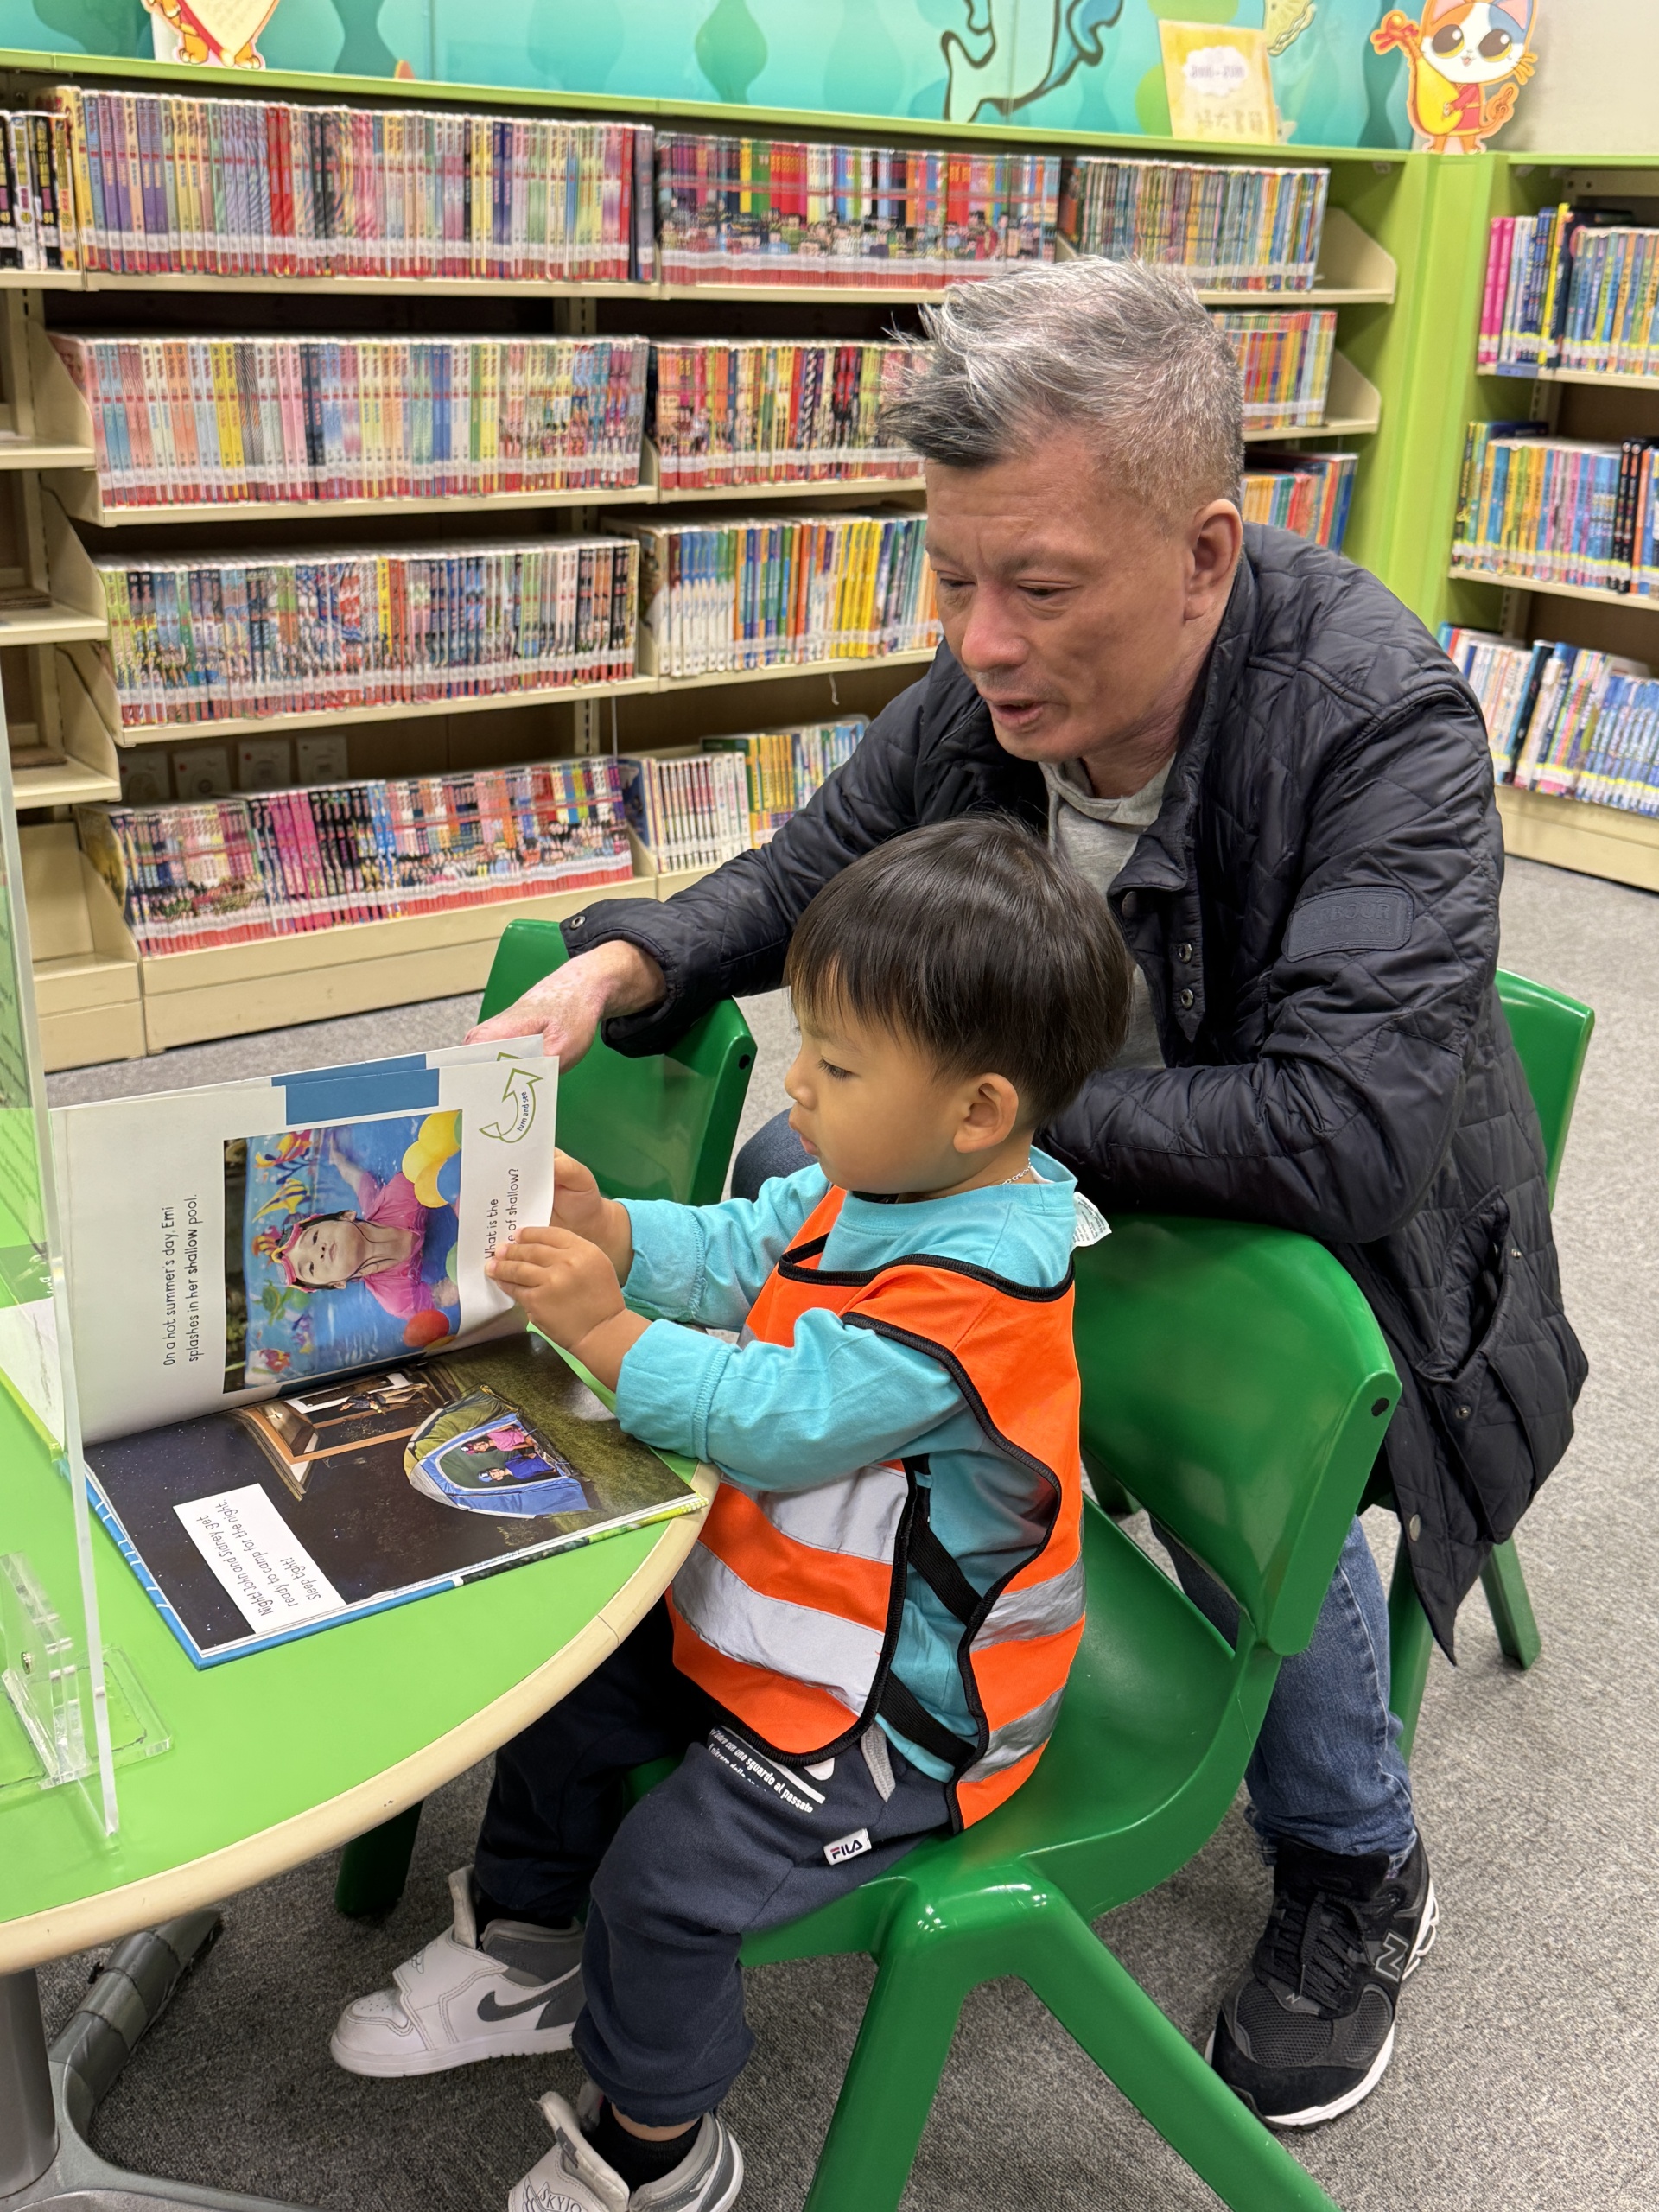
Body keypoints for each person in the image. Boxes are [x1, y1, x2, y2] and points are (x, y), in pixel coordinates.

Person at [464, 257, 1586, 2130]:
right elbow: (820, 864)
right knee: (797, 1168)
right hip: (1071, 1147)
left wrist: (992, 1145)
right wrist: (629, 963)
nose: (983, 642)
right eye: (954, 579)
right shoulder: (1005, 671)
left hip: (1329, 1235)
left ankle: (1351, 1848)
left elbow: (1347, 1135)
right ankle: (796, 1576)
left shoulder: (1377, 723)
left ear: (1206, 555)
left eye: (1041, 589)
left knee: (1236, 1414)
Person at [332, 821, 1134, 2212]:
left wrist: (610, 1329)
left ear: (978, 1112)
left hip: (902, 1715)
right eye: (805, 1045)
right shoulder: (875, 1178)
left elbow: (781, 1414)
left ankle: (659, 2150)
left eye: (837, 1065)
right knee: (560, 1686)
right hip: (771, 1620)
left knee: (668, 1885)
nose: (797, 1086)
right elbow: (744, 1246)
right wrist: (619, 1233)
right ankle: (528, 1950)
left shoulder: (981, 1291)